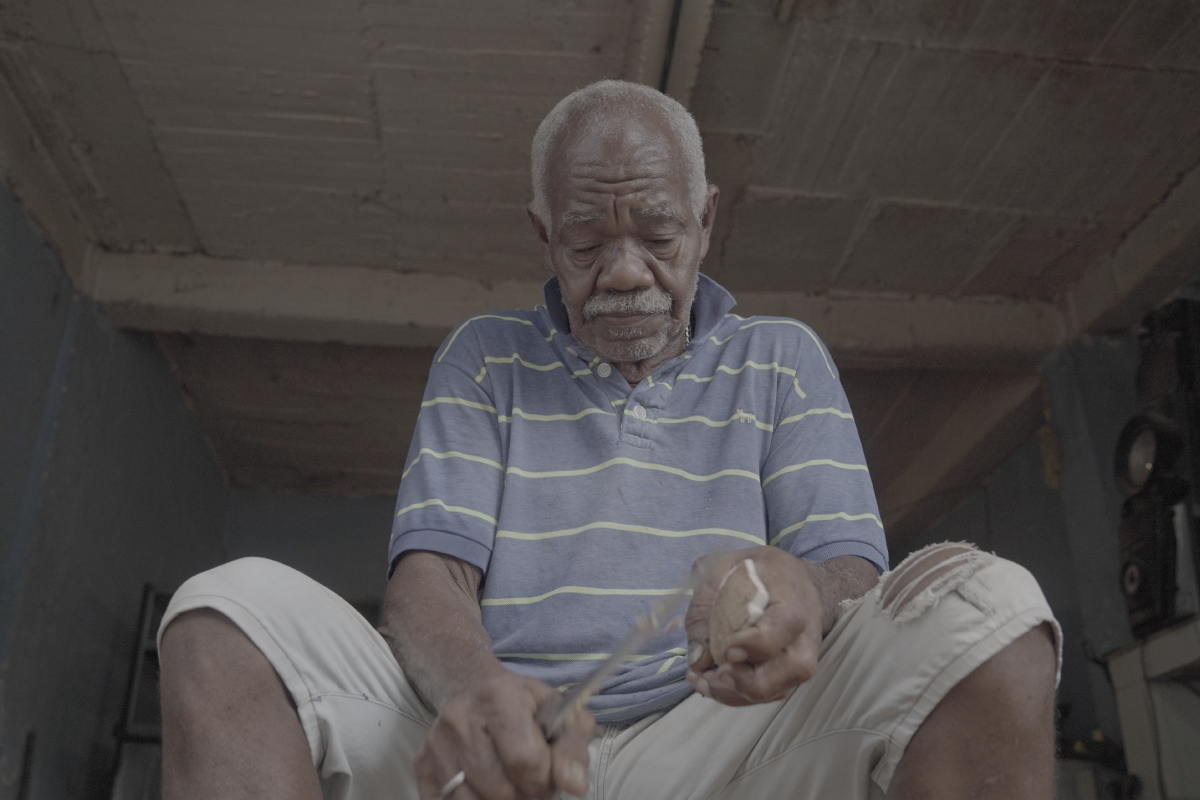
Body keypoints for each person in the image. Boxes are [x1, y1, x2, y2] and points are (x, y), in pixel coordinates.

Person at [158, 80, 1061, 800]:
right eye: (586, 244)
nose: (626, 273)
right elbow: (431, 583)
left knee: (992, 607)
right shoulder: (486, 359)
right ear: (543, 235)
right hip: (512, 742)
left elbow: (851, 576)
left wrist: (803, 587)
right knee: (226, 614)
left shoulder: (782, 360)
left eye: (659, 234)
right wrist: (481, 695)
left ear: (706, 220)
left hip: (728, 745)